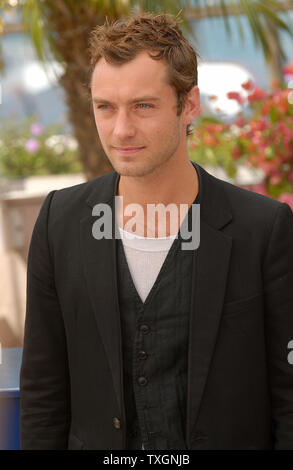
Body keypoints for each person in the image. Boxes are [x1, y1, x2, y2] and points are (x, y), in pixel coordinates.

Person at [20, 12, 293, 450]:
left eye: (143, 105)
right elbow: (43, 394)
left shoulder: (263, 229)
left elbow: (289, 399)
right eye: (105, 107)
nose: (121, 130)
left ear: (189, 104)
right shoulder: (59, 222)